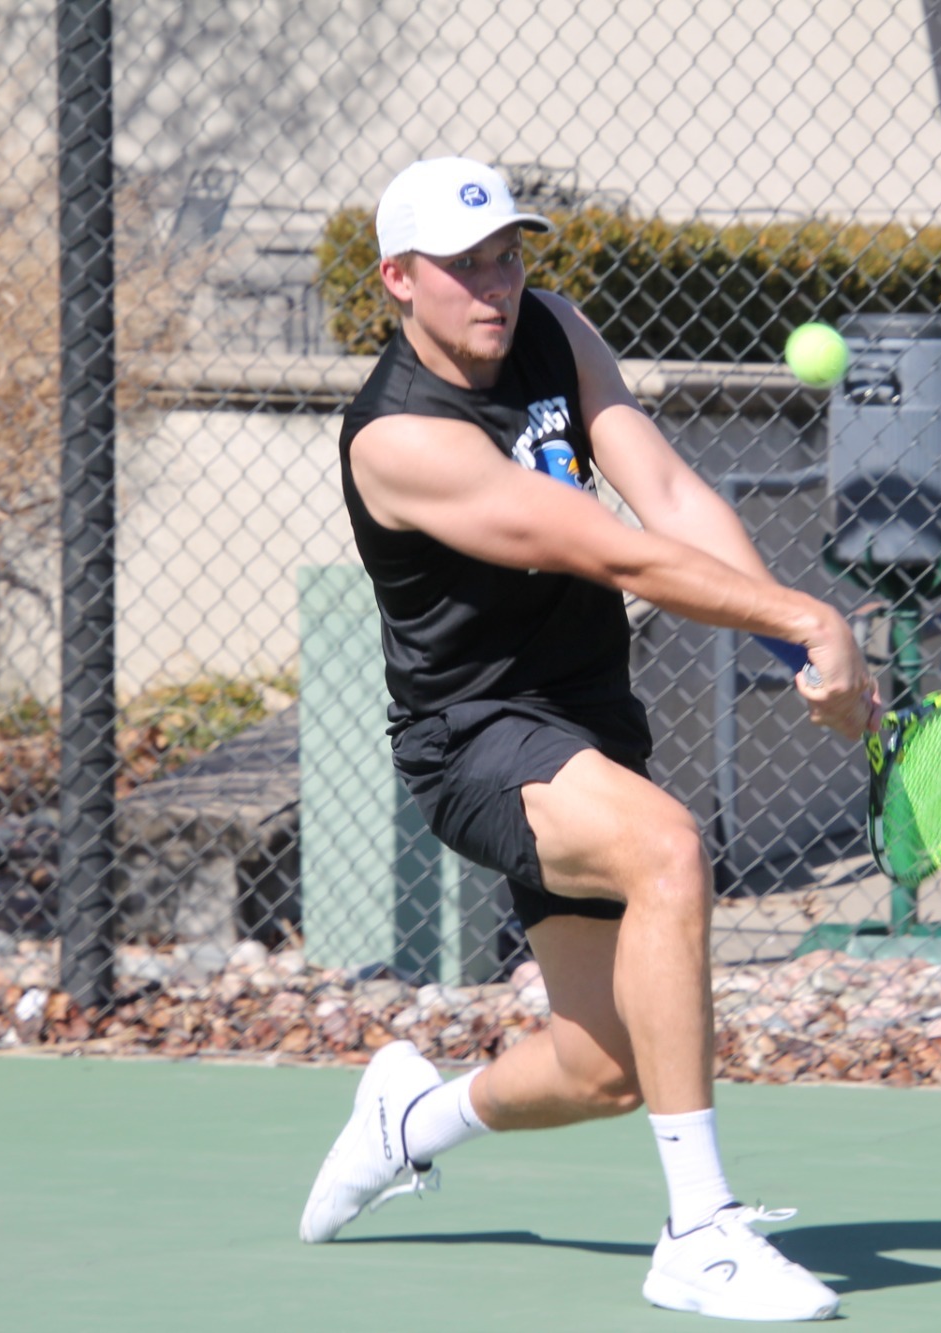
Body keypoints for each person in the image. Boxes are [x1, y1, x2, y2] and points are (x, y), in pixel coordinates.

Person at [296, 156, 879, 1323]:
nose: (493, 286)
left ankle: (407, 1120)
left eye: (506, 256)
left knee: (603, 1068)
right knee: (668, 848)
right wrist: (807, 616)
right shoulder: (398, 440)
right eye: (461, 268)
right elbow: (606, 547)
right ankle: (699, 1234)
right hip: (473, 739)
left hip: (587, 723)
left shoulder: (556, 330)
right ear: (397, 280)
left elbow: (665, 494)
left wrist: (790, 647)